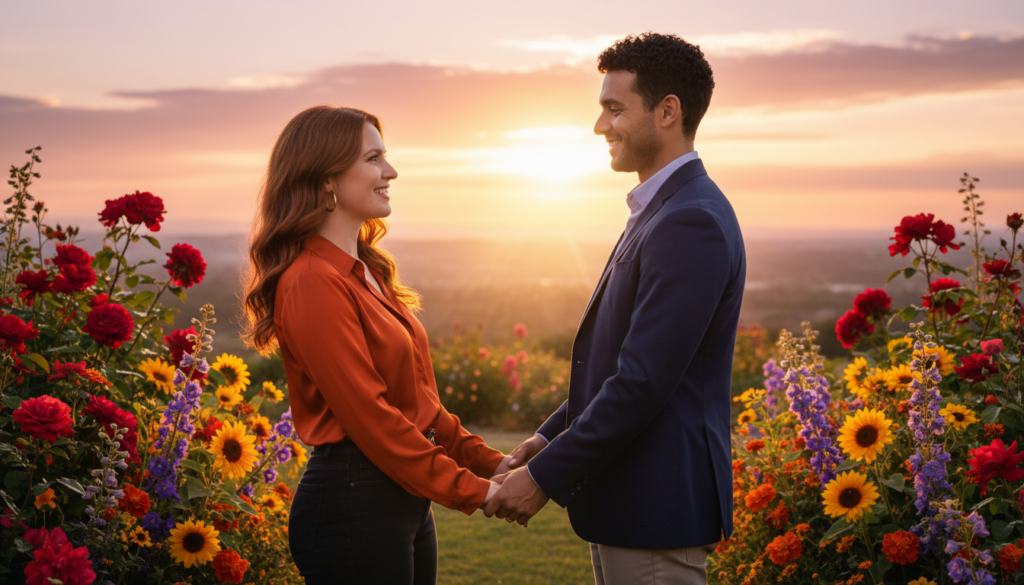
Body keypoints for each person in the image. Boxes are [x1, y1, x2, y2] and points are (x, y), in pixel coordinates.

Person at [485, 33, 745, 585]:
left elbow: (642, 381)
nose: (600, 126)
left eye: (614, 108)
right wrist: (548, 437)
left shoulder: (688, 221)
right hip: (630, 505)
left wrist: (544, 477)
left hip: (656, 506)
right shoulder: (662, 210)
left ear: (668, 112)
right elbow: (617, 365)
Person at [242, 106, 511, 585]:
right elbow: (373, 417)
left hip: (399, 501)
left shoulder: (367, 272)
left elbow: (421, 404)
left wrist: (493, 463)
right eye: (373, 158)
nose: (391, 171)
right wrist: (478, 492)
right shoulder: (312, 282)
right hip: (353, 505)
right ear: (327, 179)